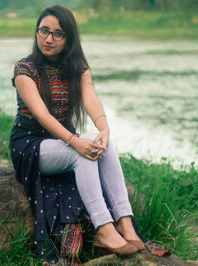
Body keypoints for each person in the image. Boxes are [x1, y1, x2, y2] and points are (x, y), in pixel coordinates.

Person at [9, 5, 145, 264]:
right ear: (37, 32)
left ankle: (125, 223)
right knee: (82, 155)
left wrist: (104, 130)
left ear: (68, 38)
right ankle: (104, 229)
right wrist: (73, 141)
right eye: (44, 31)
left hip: (60, 141)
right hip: (30, 145)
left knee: (100, 142)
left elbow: (91, 98)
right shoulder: (24, 69)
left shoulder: (77, 66)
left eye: (58, 34)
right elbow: (42, 115)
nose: (48, 39)